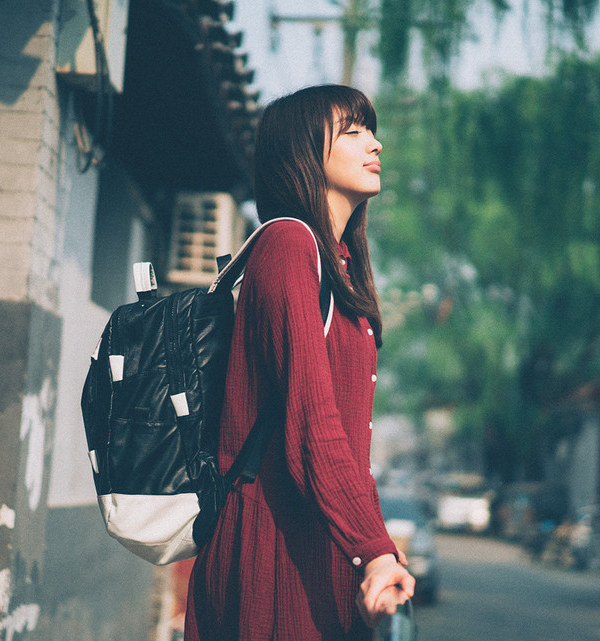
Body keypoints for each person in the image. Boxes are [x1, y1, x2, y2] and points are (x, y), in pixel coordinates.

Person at [184, 84, 414, 640]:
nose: (375, 144)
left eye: (372, 130)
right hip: (273, 548)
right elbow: (311, 425)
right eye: (353, 131)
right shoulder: (288, 246)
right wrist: (373, 550)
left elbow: (349, 444)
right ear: (305, 151)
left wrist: (374, 549)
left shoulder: (341, 265)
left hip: (320, 549)